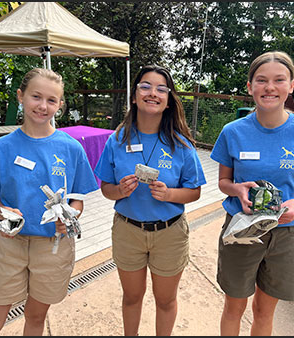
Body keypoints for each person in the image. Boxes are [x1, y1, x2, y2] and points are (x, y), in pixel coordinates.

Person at [210, 51, 294, 336]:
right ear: (250, 86)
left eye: (279, 80)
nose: (269, 87)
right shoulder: (232, 132)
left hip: (285, 232)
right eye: (261, 80)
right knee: (234, 308)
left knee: (264, 311)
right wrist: (237, 189)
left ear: (291, 85)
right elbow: (224, 182)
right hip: (241, 229)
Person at [0, 68, 99, 336]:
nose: (43, 106)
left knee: (35, 316)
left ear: (60, 105)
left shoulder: (72, 148)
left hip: (54, 247)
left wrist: (70, 217)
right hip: (10, 245)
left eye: (51, 100)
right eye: (36, 97)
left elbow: (77, 201)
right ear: (21, 96)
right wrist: (5, 212)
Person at [94, 64, 206, 336]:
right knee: (131, 297)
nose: (152, 93)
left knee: (165, 300)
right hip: (128, 231)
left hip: (169, 233)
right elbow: (105, 188)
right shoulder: (117, 140)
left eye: (161, 89)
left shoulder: (181, 144)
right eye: (145, 86)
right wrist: (119, 191)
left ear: (168, 100)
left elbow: (194, 191)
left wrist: (169, 194)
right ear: (134, 96)